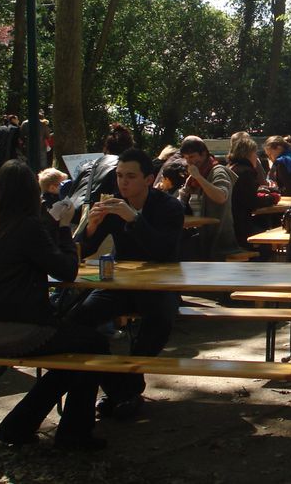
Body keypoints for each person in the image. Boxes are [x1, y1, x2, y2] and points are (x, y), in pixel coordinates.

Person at [0, 159, 107, 450]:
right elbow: (67, 270)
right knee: (94, 345)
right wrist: (65, 227)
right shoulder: (27, 226)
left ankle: (19, 425)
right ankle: (74, 433)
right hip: (21, 329)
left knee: (76, 352)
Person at [70, 148, 184, 420]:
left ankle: (127, 390)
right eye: (120, 176)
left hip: (160, 286)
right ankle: (120, 388)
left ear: (148, 179)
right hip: (121, 286)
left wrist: (133, 218)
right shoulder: (112, 205)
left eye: (130, 176)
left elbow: (163, 251)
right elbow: (82, 251)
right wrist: (91, 227)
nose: (123, 182)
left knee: (159, 322)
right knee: (78, 320)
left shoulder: (169, 207)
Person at [177, 136, 239, 259]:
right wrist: (184, 191)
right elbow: (180, 202)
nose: (189, 161)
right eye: (186, 158)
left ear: (204, 154)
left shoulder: (218, 171)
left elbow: (221, 197)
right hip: (199, 237)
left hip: (218, 239)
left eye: (192, 157)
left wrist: (199, 178)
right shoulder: (194, 176)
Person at [227, 136, 278, 248]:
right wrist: (272, 198)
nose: (256, 156)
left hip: (230, 224)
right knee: (267, 239)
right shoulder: (245, 172)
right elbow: (252, 202)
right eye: (255, 153)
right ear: (248, 154)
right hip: (240, 227)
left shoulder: (231, 167)